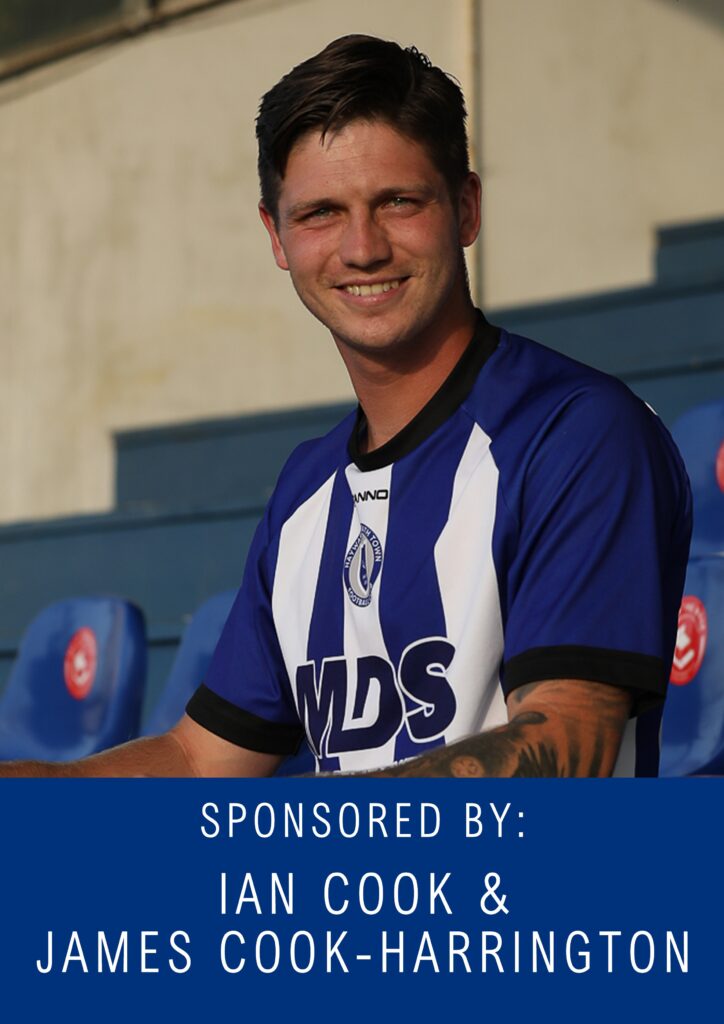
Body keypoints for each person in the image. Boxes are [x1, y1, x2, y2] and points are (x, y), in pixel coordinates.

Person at [1, 35, 691, 779]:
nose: (362, 248)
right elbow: (198, 759)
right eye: (321, 213)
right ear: (276, 236)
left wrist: (318, 826)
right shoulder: (307, 489)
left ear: (465, 209)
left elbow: (568, 740)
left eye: (398, 202)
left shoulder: (579, 434)